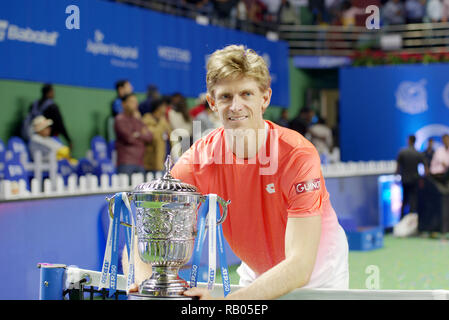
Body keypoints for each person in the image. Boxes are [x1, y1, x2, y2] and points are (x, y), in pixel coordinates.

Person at [124, 45, 349, 299]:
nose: (235, 106)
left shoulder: (297, 154)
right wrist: (146, 285)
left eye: (246, 94)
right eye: (225, 97)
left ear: (264, 98)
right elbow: (145, 229)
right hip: (256, 272)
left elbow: (300, 266)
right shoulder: (197, 161)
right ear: (212, 103)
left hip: (318, 273)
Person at [114, 93, 153, 180]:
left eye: (136, 102)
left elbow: (150, 137)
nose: (135, 104)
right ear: (123, 104)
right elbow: (129, 138)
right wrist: (141, 135)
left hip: (140, 163)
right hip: (126, 163)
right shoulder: (120, 119)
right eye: (131, 102)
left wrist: (137, 134)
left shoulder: (137, 120)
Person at [396, 135, 428, 220]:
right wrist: (426, 177)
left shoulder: (402, 152)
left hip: (405, 180)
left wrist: (396, 175)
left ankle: (402, 219)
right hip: (415, 180)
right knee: (413, 200)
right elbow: (425, 166)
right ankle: (412, 220)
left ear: (409, 141)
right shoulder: (418, 153)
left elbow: (398, 167)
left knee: (405, 200)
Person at [142, 97, 172, 172]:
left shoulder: (163, 120)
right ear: (159, 107)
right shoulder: (146, 120)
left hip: (164, 159)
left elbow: (171, 135)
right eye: (164, 106)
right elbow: (151, 134)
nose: (166, 108)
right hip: (150, 161)